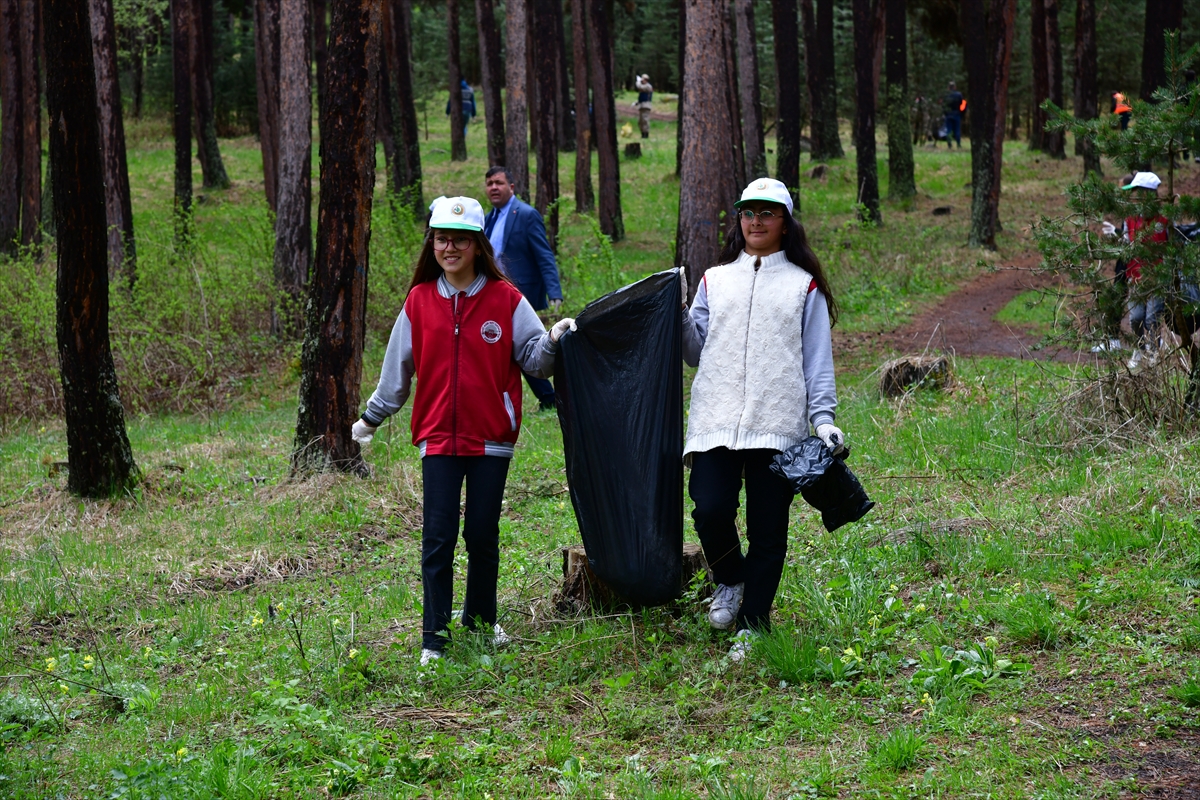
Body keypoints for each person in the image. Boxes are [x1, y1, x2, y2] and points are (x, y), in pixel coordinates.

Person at [352, 196, 574, 668]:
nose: (448, 247)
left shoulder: (506, 298)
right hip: (438, 438)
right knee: (437, 539)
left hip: (490, 437)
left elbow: (534, 359)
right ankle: (434, 639)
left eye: (459, 240)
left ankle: (479, 623)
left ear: (477, 245)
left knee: (481, 535)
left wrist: (552, 340)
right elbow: (398, 370)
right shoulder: (418, 301)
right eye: (440, 238)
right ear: (432, 242)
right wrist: (373, 416)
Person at [680, 177, 842, 662]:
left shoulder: (803, 286)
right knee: (709, 509)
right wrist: (678, 310)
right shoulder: (714, 279)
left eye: (767, 213)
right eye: (748, 211)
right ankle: (730, 581)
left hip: (778, 421)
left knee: (768, 528)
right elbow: (693, 352)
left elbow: (817, 359)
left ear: (785, 222)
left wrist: (824, 418)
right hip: (715, 420)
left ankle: (755, 622)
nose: (756, 220)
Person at [483, 166, 564, 410]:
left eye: (498, 182)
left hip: (520, 295)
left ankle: (550, 398)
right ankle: (547, 398)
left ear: (512, 187)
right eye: (489, 183)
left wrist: (555, 292)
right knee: (504, 347)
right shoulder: (488, 219)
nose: (493, 187)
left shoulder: (526, 215)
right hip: (492, 295)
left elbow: (544, 256)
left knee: (515, 346)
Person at [1117, 171, 1168, 368]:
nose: (1134, 197)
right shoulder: (1130, 219)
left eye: (1137, 192)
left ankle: (1154, 352)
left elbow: (1172, 246)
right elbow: (1126, 244)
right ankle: (1139, 349)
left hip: (1157, 278)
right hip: (1135, 277)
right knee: (1136, 318)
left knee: (1151, 318)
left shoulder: (1163, 220)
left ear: (1148, 194)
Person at [942, 81, 965, 148]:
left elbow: (944, 105)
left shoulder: (946, 95)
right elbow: (963, 104)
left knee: (949, 129)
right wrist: (962, 113)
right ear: (955, 87)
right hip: (957, 113)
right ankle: (958, 144)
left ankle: (949, 144)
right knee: (957, 129)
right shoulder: (959, 95)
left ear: (948, 87)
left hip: (948, 114)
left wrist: (945, 113)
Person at [634, 74, 653, 139]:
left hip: (646, 106)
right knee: (640, 121)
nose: (642, 81)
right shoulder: (644, 86)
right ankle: (642, 133)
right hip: (641, 105)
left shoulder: (648, 86)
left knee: (645, 120)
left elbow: (640, 87)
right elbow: (642, 97)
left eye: (643, 80)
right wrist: (636, 102)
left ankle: (646, 134)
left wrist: (638, 82)